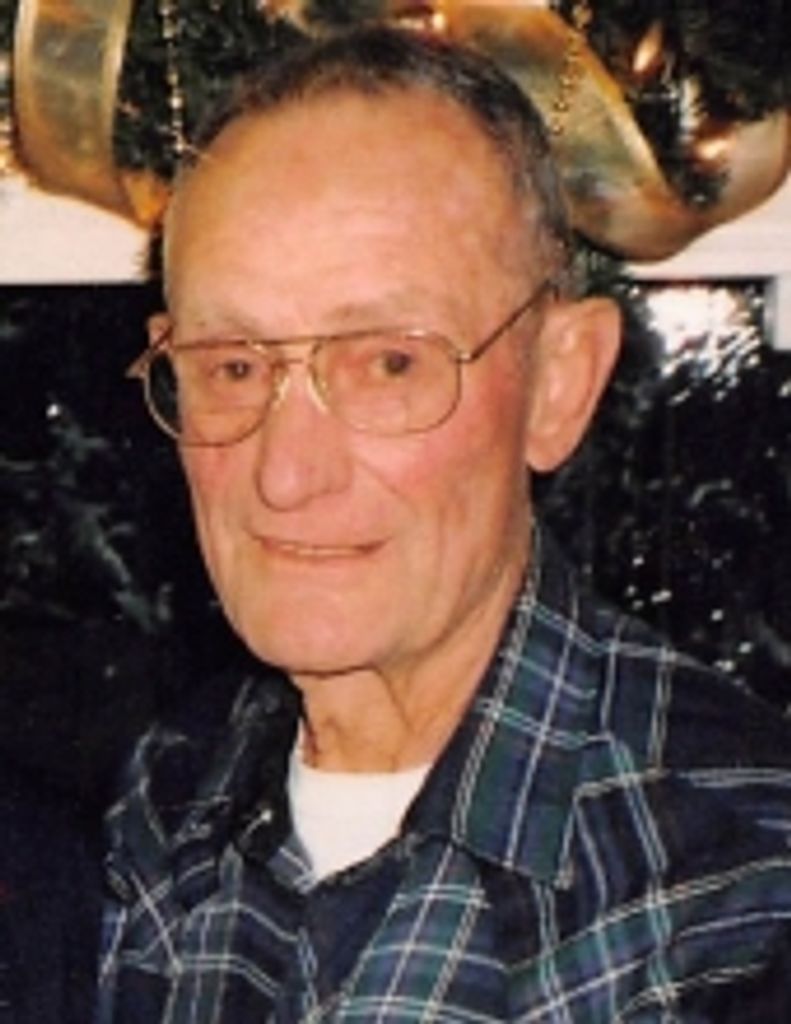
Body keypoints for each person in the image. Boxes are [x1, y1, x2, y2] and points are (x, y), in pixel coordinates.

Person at [98, 24, 791, 1022]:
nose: (285, 475)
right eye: (233, 366)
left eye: (389, 364)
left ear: (557, 384)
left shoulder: (738, 891)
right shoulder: (166, 806)